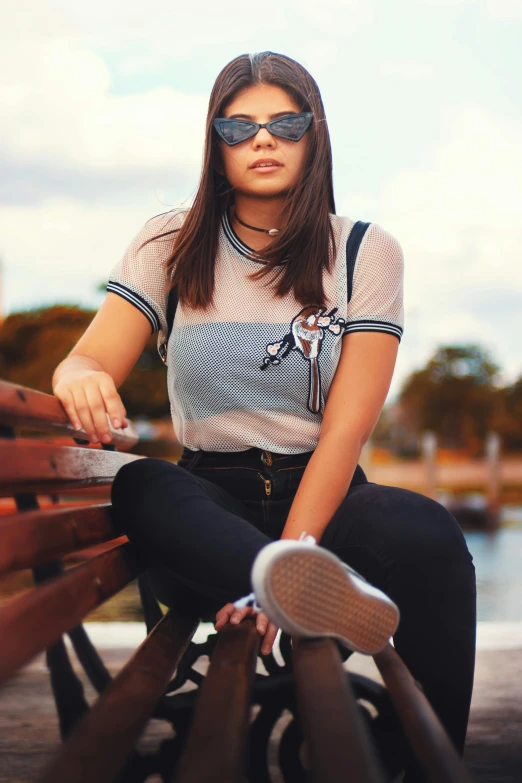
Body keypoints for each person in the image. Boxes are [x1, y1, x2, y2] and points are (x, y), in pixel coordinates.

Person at [52, 51, 476, 780]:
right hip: (208, 507)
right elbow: (87, 360)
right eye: (239, 126)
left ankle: (425, 765)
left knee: (430, 534)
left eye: (286, 122)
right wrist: (78, 374)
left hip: (328, 494)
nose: (264, 140)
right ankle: (268, 577)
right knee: (142, 485)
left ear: (315, 137)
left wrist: (299, 555)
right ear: (215, 146)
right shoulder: (168, 243)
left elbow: (345, 429)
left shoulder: (364, 251)